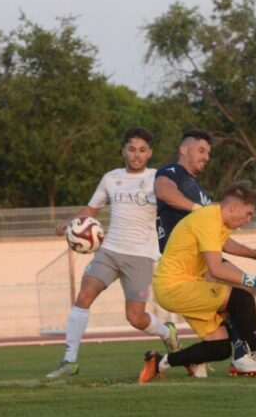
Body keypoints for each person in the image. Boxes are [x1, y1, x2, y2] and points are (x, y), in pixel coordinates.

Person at [46, 127, 180, 379]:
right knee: (84, 295)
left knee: (135, 318)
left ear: (149, 153)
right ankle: (69, 361)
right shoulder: (111, 178)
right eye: (131, 149)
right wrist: (70, 223)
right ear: (123, 151)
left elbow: (172, 205)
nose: (136, 155)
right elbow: (92, 209)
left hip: (140, 256)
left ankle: (166, 332)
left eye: (142, 150)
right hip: (109, 251)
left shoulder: (157, 179)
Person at [138, 181, 256, 382]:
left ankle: (161, 362)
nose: (249, 219)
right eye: (249, 213)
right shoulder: (209, 220)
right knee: (242, 297)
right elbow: (216, 269)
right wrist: (255, 280)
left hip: (180, 288)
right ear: (233, 207)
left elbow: (224, 243)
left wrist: (252, 253)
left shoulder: (214, 219)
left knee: (219, 347)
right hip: (176, 287)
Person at [154, 129, 256, 375]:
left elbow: (220, 239)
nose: (206, 157)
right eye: (201, 151)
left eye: (209, 153)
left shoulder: (199, 189)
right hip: (187, 261)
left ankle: (222, 356)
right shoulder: (172, 173)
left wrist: (251, 253)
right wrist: (196, 209)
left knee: (241, 298)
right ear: (184, 149)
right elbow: (163, 191)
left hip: (201, 258)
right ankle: (244, 358)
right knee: (242, 294)